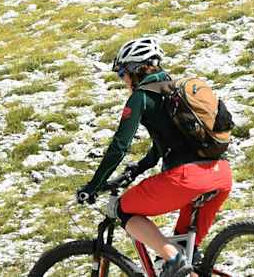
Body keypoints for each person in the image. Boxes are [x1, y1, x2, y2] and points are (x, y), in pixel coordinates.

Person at [76, 37, 233, 277]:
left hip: (186, 178)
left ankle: (175, 260)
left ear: (135, 70)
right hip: (220, 174)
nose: (123, 80)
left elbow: (119, 146)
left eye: (122, 73)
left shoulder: (141, 97)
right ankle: (183, 262)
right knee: (183, 253)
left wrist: (93, 185)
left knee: (123, 210)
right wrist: (135, 170)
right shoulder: (174, 92)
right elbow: (160, 148)